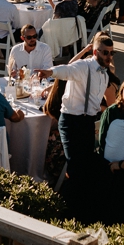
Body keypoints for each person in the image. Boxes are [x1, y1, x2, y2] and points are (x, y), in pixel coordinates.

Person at [34, 33, 115, 165]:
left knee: (87, 163)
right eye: (105, 53)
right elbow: (67, 70)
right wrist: (50, 72)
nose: (109, 57)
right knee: (75, 166)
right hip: (71, 121)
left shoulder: (104, 75)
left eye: (112, 53)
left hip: (88, 122)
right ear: (95, 52)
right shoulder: (84, 66)